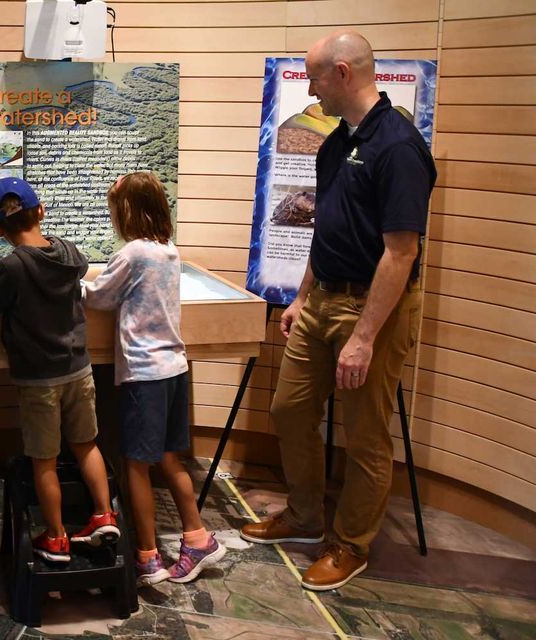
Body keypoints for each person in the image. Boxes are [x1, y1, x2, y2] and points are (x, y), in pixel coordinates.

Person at [239, 31, 436, 591]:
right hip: (322, 296)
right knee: (290, 410)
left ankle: (350, 544)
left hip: (372, 308)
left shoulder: (397, 147)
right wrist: (302, 296)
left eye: (316, 77)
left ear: (343, 74)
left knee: (366, 435)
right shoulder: (334, 142)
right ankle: (303, 517)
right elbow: (325, 226)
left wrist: (365, 336)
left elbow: (402, 252)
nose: (311, 88)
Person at [84, 171, 225, 585]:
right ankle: (197, 537)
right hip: (174, 368)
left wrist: (63, 283)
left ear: (126, 210)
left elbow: (99, 298)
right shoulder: (168, 250)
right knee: (168, 458)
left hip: (144, 373)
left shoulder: (133, 254)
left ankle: (146, 553)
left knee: (135, 464)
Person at [0, 177, 120, 563]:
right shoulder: (68, 252)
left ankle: (56, 537)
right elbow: (82, 267)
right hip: (79, 370)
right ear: (41, 211)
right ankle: (104, 515)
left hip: (39, 380)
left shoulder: (13, 266)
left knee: (44, 459)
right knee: (86, 444)